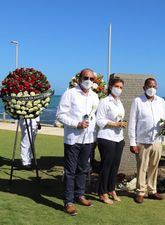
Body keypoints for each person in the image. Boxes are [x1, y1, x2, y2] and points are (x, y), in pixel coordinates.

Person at [56, 68, 99, 215]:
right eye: (86, 77)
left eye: (91, 79)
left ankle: (80, 194)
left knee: (83, 168)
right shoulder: (70, 94)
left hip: (88, 139)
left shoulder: (94, 96)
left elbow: (95, 116)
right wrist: (77, 124)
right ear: (79, 78)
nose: (88, 81)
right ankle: (68, 201)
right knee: (70, 171)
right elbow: (60, 115)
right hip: (73, 139)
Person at [128, 78, 165, 204]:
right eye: (149, 86)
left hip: (157, 140)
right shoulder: (138, 101)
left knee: (154, 167)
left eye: (154, 86)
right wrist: (132, 142)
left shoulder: (161, 101)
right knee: (142, 168)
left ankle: (152, 191)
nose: (152, 88)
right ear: (144, 87)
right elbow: (132, 122)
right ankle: (140, 192)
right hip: (142, 141)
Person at [96, 76, 127, 204]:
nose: (119, 89)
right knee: (106, 166)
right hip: (106, 137)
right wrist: (115, 124)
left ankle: (111, 189)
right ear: (110, 87)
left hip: (118, 138)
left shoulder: (119, 102)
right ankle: (102, 192)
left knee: (115, 166)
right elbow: (99, 120)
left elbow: (119, 117)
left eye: (121, 87)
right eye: (117, 87)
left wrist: (122, 123)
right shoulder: (104, 101)